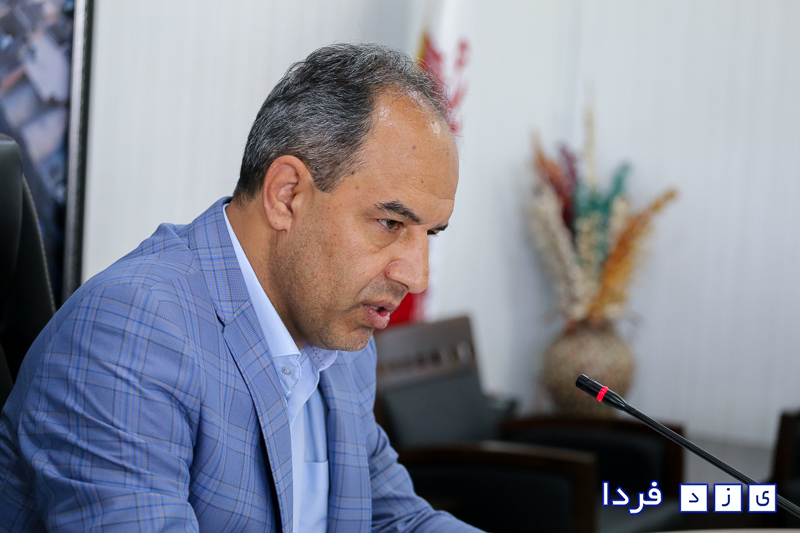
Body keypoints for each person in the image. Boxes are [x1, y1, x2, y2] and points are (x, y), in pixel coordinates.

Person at [0, 43, 482, 532]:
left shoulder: (339, 335)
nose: (416, 276)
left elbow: (395, 520)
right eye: (390, 223)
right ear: (286, 196)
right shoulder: (130, 335)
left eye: (430, 233)